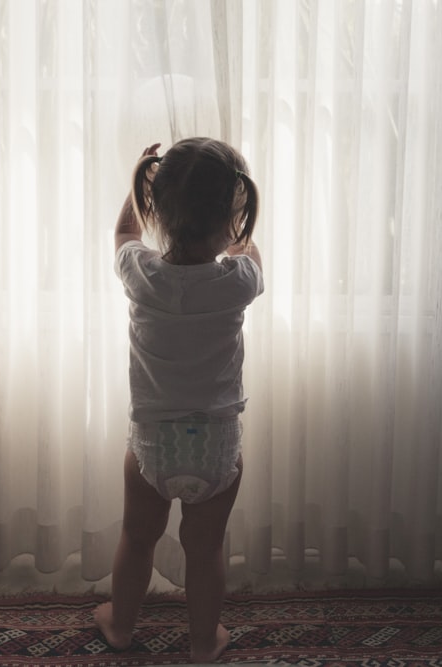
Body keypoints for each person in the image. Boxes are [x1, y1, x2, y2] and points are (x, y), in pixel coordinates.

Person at [94, 137, 264, 663]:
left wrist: (136, 189)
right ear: (233, 216)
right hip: (215, 446)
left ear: (155, 209)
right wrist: (238, 232)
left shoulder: (141, 275)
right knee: (205, 548)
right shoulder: (237, 281)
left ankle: (120, 626)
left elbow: (124, 232)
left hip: (154, 445)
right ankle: (200, 641)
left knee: (137, 537)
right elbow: (249, 251)